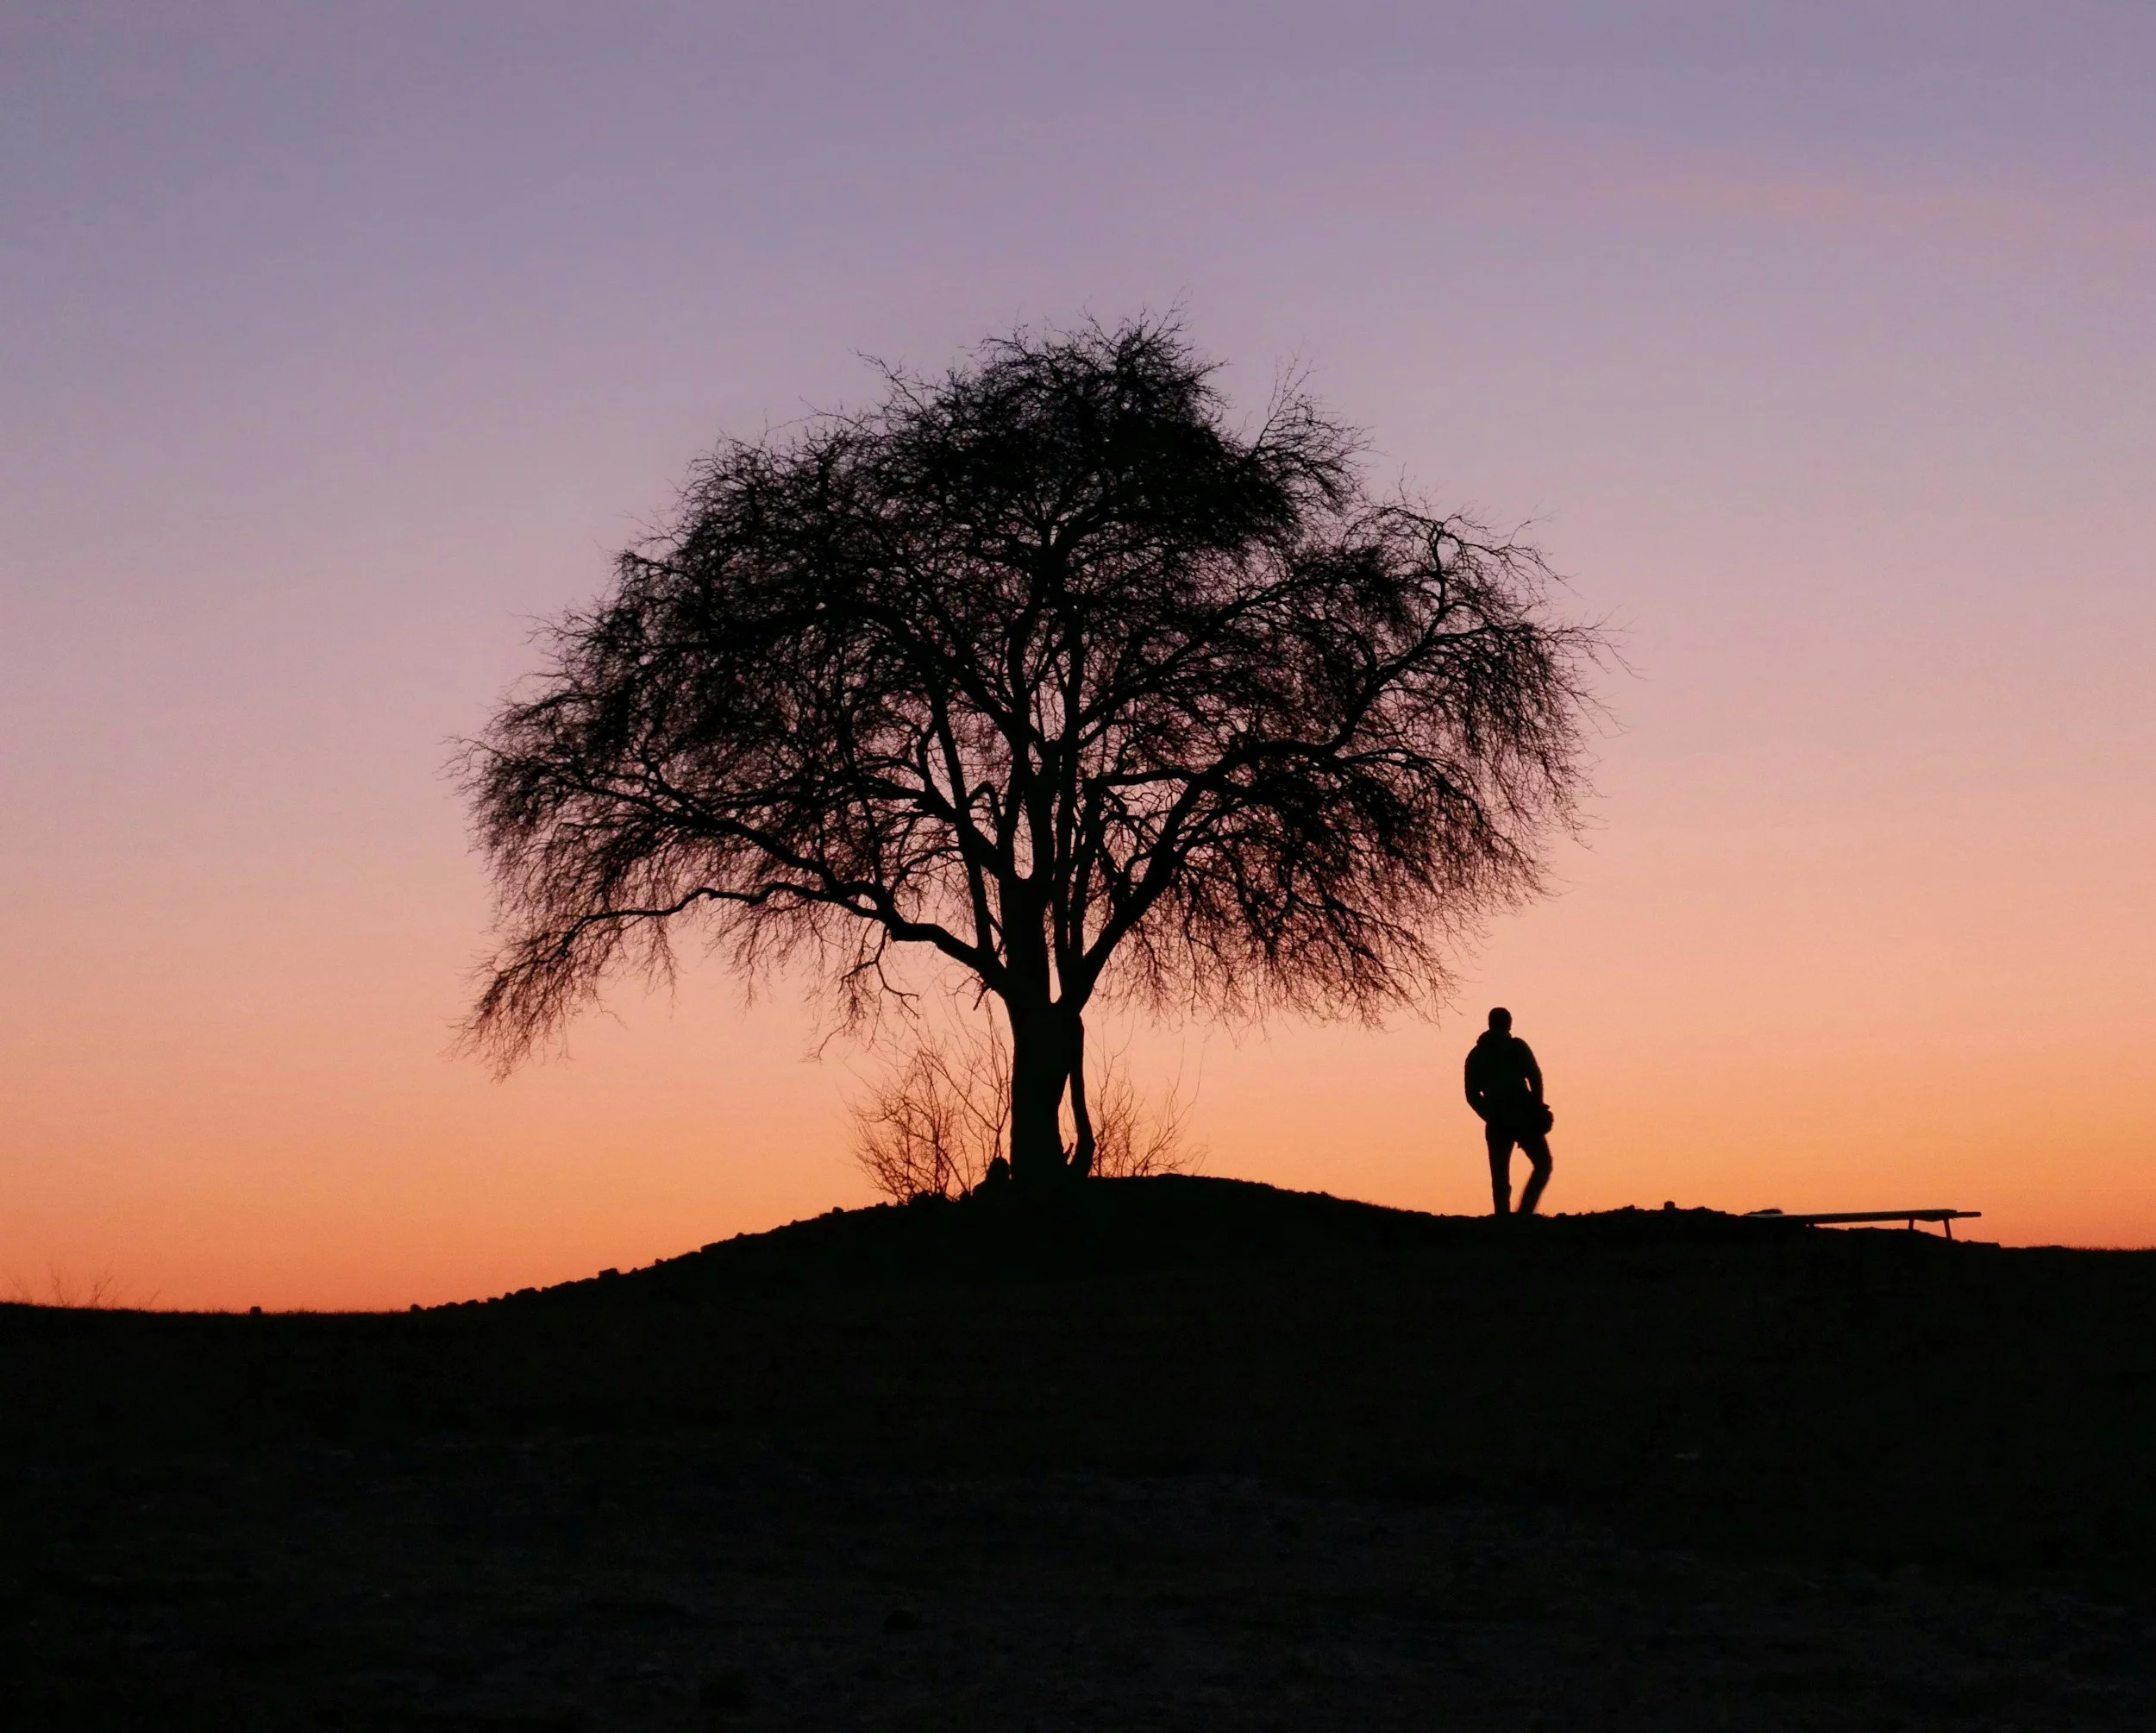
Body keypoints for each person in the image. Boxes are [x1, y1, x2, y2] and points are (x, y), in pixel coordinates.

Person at [1463, 1007, 1552, 1216]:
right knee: (1540, 1165)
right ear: (1508, 1023)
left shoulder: (1478, 1054)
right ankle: (1521, 1215)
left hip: (1509, 1118)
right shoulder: (1513, 1048)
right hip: (1518, 1117)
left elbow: (1472, 1095)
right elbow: (1535, 1076)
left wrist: (1491, 1114)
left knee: (1502, 1178)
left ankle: (1508, 1219)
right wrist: (1536, 1105)